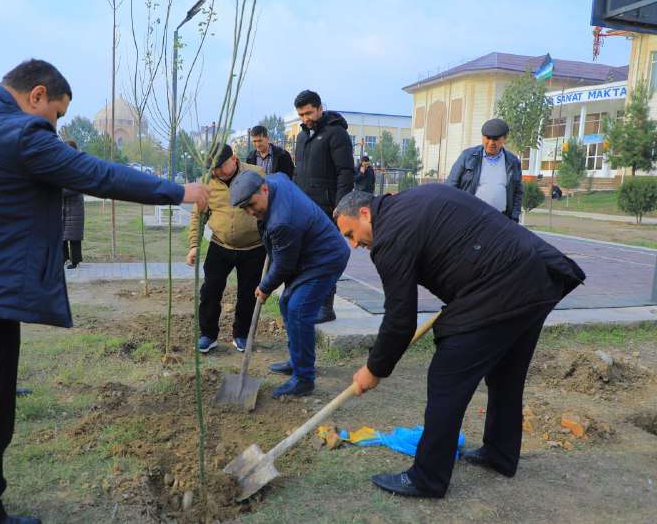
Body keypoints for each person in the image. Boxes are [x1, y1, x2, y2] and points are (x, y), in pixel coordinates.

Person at [0, 59, 211, 524]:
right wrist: (179, 191)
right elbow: (97, 175)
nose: (55, 126)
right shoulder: (20, 132)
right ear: (37, 95)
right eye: (58, 115)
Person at [334, 185, 585, 499]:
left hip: (504, 283)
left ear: (365, 213)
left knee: (447, 375)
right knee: (505, 374)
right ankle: (499, 454)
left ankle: (427, 478)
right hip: (536, 274)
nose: (354, 244)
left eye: (351, 233)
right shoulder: (411, 201)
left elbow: (400, 319)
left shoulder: (390, 235)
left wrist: (374, 369)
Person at [230, 170, 349, 398]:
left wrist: (264, 287)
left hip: (324, 259)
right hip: (307, 255)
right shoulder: (275, 182)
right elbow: (283, 174)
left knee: (298, 309)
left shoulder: (281, 221)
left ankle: (303, 378)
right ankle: (297, 360)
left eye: (252, 205)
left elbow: (283, 266)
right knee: (287, 305)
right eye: (245, 208)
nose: (251, 212)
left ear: (264, 189)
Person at [186, 144, 266, 354]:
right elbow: (198, 214)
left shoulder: (255, 174)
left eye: (220, 167)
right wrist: (194, 245)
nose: (216, 172)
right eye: (212, 168)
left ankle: (241, 334)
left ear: (233, 158)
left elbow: (270, 203)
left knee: (248, 295)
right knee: (210, 291)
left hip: (254, 248)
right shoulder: (207, 183)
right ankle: (208, 335)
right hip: (220, 246)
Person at [292, 89, 355, 323]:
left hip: (329, 209)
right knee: (307, 257)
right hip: (305, 209)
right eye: (301, 115)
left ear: (320, 109)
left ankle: (326, 306)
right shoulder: (301, 137)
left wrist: (340, 205)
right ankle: (312, 301)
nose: (305, 118)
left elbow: (345, 172)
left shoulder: (336, 133)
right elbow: (299, 173)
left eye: (309, 112)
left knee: (326, 257)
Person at [446, 118, 523, 222]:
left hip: (501, 221)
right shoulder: (467, 157)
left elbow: (517, 193)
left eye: (496, 139)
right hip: (469, 219)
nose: (491, 143)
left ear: (505, 138)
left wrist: (513, 218)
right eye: (488, 138)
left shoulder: (513, 162)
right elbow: (451, 187)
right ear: (482, 137)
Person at [62, 140, 85, 269]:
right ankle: (63, 257)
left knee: (73, 236)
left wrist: (59, 191)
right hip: (63, 205)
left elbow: (78, 186)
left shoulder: (78, 165)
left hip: (74, 205)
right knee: (62, 235)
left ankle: (75, 260)